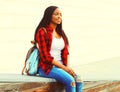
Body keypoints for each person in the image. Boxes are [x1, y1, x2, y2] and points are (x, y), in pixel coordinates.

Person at [34, 6, 83, 92]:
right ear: (49, 15)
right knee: (71, 81)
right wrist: (64, 68)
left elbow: (66, 52)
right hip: (47, 68)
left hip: (62, 67)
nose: (59, 16)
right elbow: (46, 57)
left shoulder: (61, 32)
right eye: (56, 14)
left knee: (79, 80)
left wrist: (67, 67)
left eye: (60, 14)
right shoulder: (42, 31)